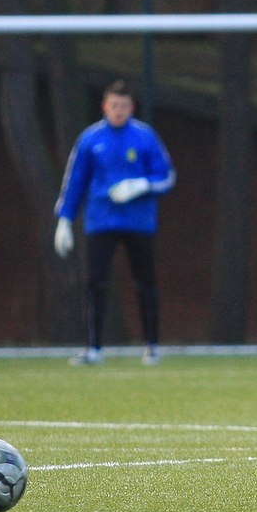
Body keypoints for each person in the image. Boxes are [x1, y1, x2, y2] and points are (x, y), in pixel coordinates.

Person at [53, 79, 176, 366]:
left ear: (131, 107)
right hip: (101, 222)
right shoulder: (90, 139)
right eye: (113, 105)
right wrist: (65, 220)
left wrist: (140, 185)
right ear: (105, 106)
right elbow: (75, 181)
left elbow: (167, 176)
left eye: (123, 105)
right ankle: (94, 349)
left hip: (139, 222)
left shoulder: (146, 137)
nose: (118, 110)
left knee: (145, 282)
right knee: (95, 283)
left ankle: (151, 347)